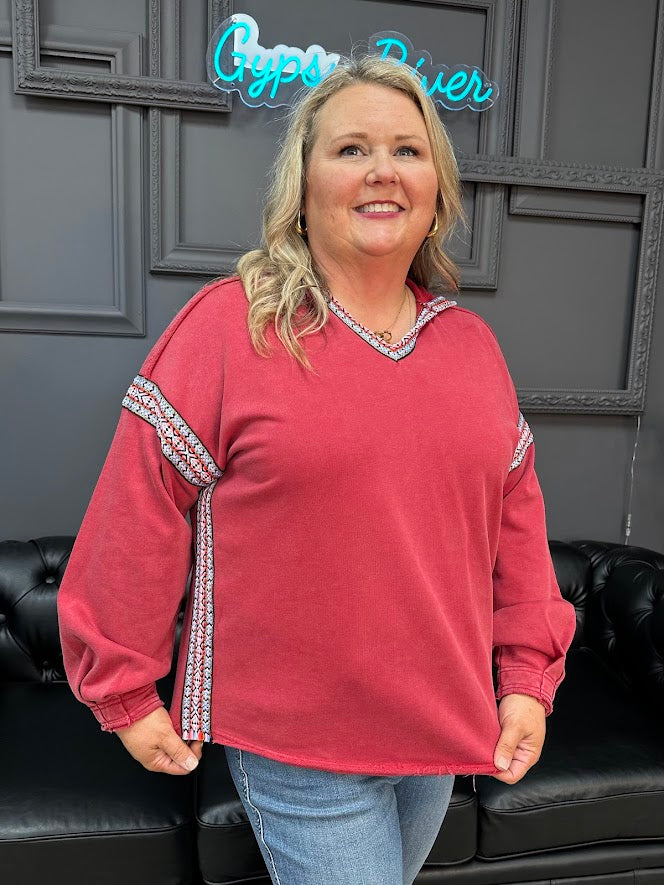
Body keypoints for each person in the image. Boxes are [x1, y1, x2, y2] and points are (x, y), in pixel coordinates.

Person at [57, 54, 577, 885]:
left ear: (437, 187)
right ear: (301, 187)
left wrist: (524, 678)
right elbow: (139, 504)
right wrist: (125, 689)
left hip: (436, 731)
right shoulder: (232, 327)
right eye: (350, 150)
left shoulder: (472, 349)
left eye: (409, 151)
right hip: (300, 748)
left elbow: (516, 530)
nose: (382, 170)